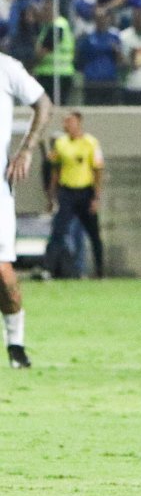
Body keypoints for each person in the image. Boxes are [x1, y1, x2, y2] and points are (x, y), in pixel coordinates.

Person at [0, 50, 52, 367]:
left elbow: (43, 104)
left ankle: (15, 344)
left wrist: (27, 149)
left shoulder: (6, 67)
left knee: (3, 274)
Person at [45, 111, 105, 279]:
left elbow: (98, 170)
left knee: (94, 234)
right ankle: (48, 270)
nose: (66, 125)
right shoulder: (60, 143)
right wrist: (52, 195)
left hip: (85, 192)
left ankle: (100, 272)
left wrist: (96, 197)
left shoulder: (91, 142)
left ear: (79, 123)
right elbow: (55, 170)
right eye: (65, 122)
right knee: (58, 231)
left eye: (69, 122)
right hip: (67, 193)